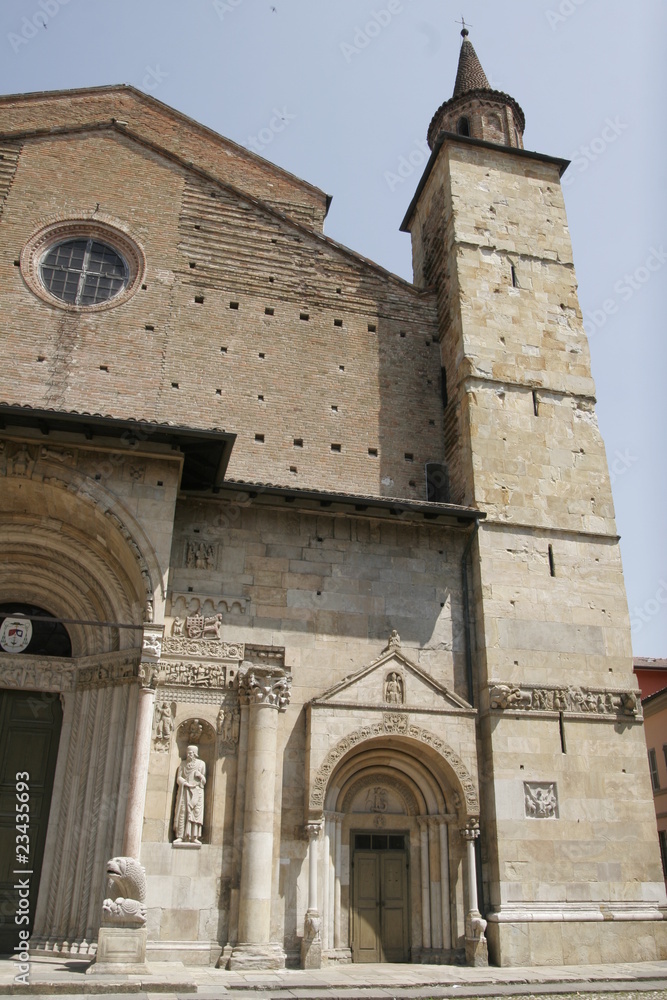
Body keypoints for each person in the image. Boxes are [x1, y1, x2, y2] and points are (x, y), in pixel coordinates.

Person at [173, 745, 206, 844]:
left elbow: (204, 781)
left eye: (190, 753)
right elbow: (179, 778)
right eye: (188, 753)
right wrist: (184, 783)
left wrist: (200, 776)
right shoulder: (183, 764)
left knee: (196, 813)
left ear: (195, 754)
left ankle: (193, 836)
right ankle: (181, 835)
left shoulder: (201, 764)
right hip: (185, 790)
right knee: (183, 812)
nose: (188, 755)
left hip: (197, 791)